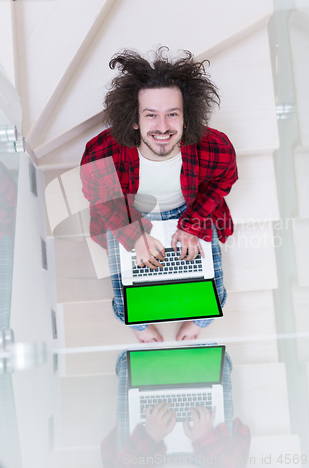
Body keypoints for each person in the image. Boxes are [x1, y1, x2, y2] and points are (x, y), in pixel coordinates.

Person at [80, 48, 238, 342]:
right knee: (128, 305)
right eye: (151, 115)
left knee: (212, 297)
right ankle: (140, 327)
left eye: (172, 115)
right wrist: (134, 234)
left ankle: (199, 321)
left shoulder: (214, 146)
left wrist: (191, 224)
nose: (163, 128)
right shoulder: (102, 151)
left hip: (190, 210)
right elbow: (99, 196)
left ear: (186, 117)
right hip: (130, 214)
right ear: (134, 119)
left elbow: (225, 178)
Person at [100, 350, 251, 468]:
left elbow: (108, 447)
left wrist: (149, 436)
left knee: (122, 449)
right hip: (202, 352)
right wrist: (206, 439)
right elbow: (242, 432)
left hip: (140, 353)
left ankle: (133, 357)